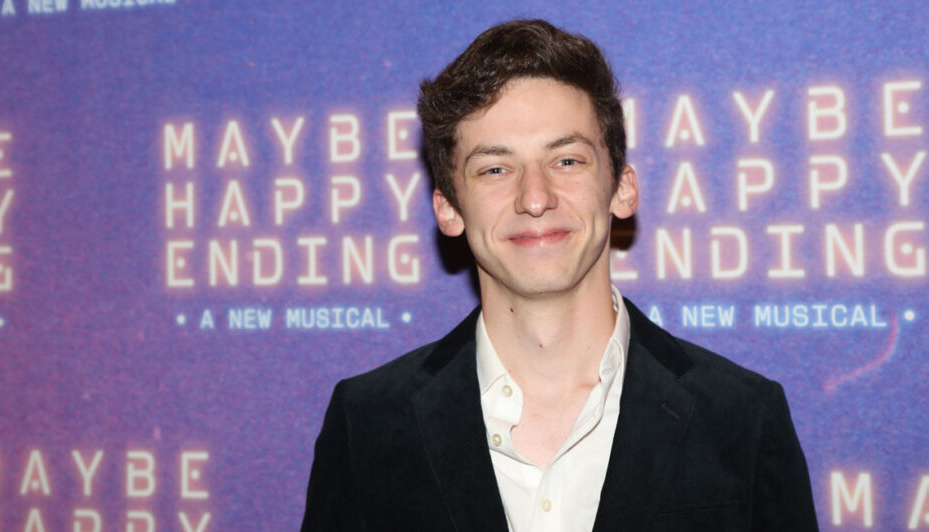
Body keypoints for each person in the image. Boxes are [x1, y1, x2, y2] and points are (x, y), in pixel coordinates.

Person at [302, 19, 818, 531]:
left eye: (567, 160)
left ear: (622, 189)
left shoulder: (742, 421)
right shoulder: (367, 424)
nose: (535, 198)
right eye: (495, 169)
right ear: (449, 210)